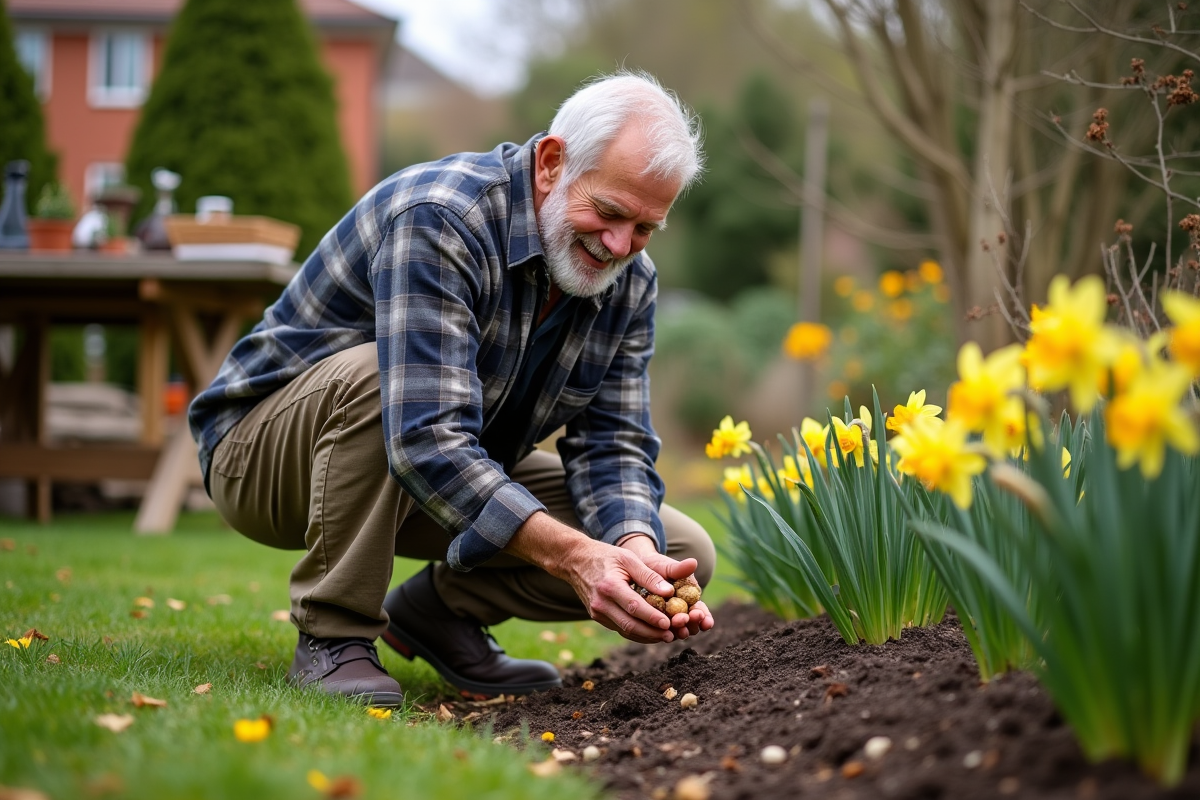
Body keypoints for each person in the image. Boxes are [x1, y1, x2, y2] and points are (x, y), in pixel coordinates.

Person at [188, 71, 716, 707]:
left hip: (422, 479)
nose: (618, 245)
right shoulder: (443, 218)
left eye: (644, 229)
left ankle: (437, 614)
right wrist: (576, 556)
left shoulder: (630, 282)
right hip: (265, 460)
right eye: (608, 213)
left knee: (680, 549)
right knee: (383, 377)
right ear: (552, 163)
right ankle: (335, 633)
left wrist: (630, 550)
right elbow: (424, 434)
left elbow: (614, 445)